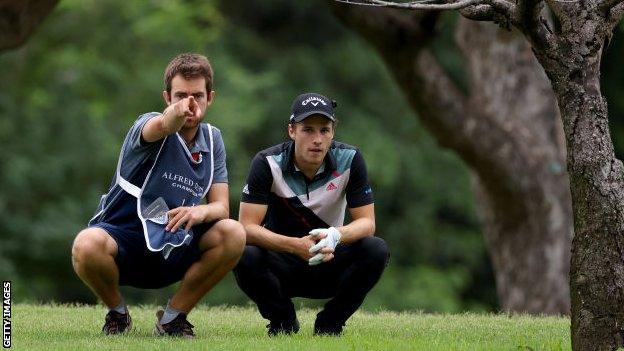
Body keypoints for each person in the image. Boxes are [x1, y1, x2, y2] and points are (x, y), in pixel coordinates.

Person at [71, 53, 245, 338]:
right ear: (167, 97)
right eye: (181, 95)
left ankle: (173, 319)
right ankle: (117, 313)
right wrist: (173, 116)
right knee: (85, 244)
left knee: (234, 233)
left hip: (176, 243)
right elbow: (164, 125)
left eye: (198, 96)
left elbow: (221, 207)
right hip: (124, 242)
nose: (190, 103)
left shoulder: (213, 139)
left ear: (210, 98)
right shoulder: (148, 124)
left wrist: (198, 212)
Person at [234, 92, 389, 336]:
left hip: (329, 260)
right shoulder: (267, 162)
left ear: (333, 132)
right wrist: (295, 246)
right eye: (308, 129)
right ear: (292, 131)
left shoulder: (351, 159)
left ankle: (330, 323)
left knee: (376, 249)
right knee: (242, 253)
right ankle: (282, 321)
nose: (317, 139)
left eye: (324, 130)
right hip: (282, 263)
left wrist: (336, 235)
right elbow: (245, 228)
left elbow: (367, 223)